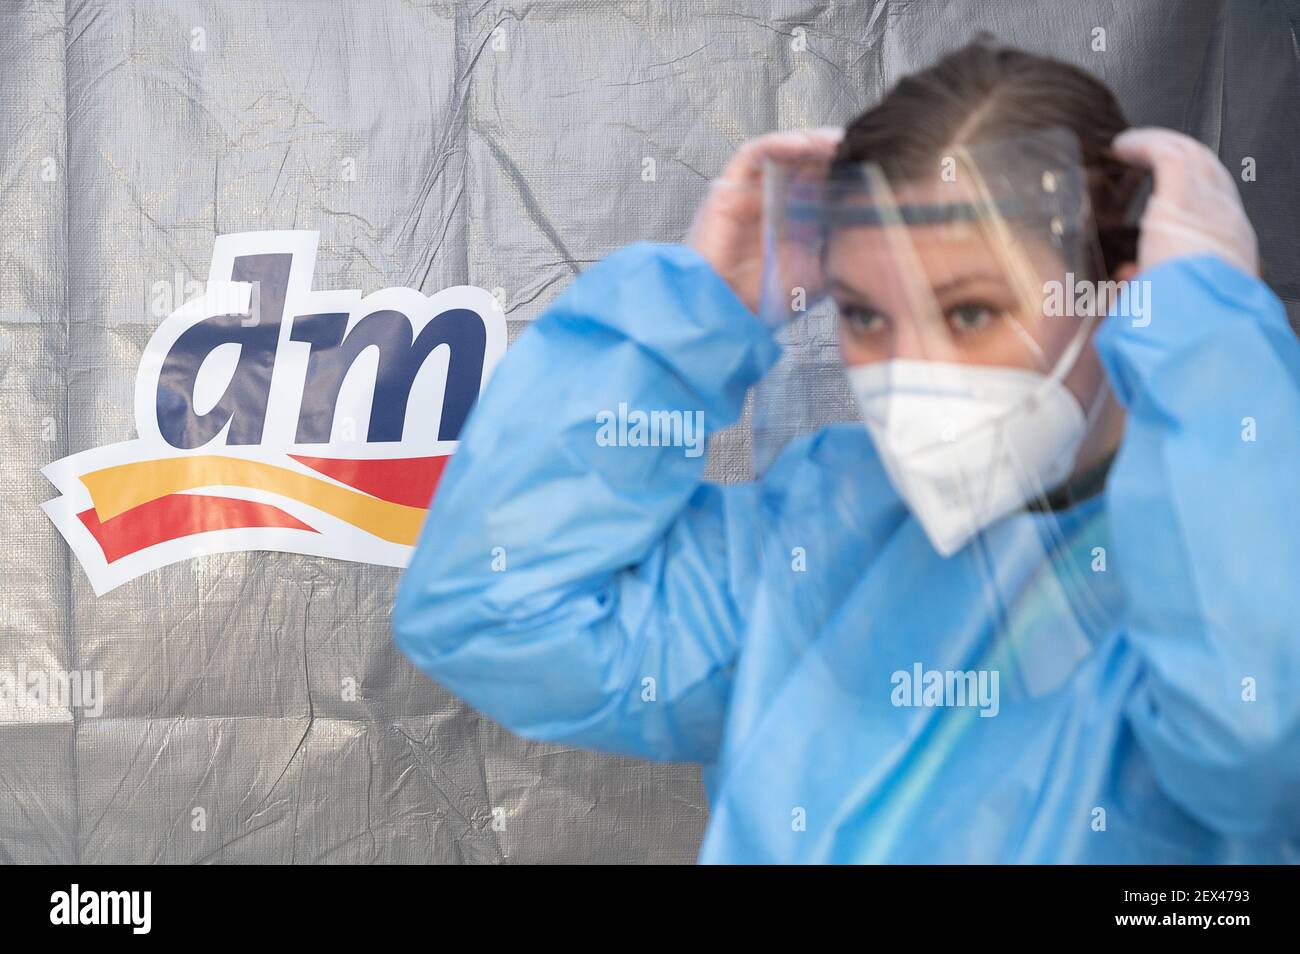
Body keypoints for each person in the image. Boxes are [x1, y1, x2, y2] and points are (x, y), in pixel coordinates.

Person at [393, 39, 1300, 862]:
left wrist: (1209, 348)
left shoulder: (1238, 532)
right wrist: (691, 308)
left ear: (1126, 293)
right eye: (866, 314)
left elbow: (1261, 740)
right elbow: (490, 611)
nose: (910, 370)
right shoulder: (817, 527)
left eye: (972, 311)